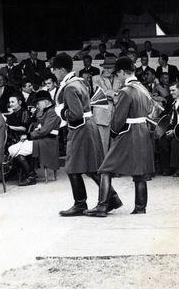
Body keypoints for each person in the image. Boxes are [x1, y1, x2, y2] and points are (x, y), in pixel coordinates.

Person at [51, 53, 119, 217]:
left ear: (61, 69)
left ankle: (81, 203)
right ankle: (112, 198)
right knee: (91, 168)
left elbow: (75, 114)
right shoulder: (79, 82)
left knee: (72, 167)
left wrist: (61, 113)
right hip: (88, 127)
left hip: (80, 128)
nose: (53, 73)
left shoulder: (70, 87)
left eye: (54, 70)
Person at [88, 57, 154, 217]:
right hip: (142, 130)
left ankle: (103, 206)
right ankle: (140, 207)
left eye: (118, 74)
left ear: (123, 72)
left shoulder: (126, 91)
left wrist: (113, 132)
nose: (118, 77)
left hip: (128, 131)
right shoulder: (142, 89)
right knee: (139, 172)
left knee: (105, 168)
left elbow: (118, 120)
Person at [8, 91, 61, 186]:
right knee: (12, 149)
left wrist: (28, 136)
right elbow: (37, 126)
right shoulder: (46, 111)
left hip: (47, 142)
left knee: (16, 151)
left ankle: (31, 176)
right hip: (40, 140)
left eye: (38, 103)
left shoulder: (52, 112)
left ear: (46, 101)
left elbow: (44, 131)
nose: (37, 105)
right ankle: (29, 174)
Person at [92, 57, 122, 154]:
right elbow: (101, 93)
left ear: (115, 69)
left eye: (109, 68)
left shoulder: (120, 79)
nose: (106, 70)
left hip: (116, 115)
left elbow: (123, 93)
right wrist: (115, 95)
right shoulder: (96, 78)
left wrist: (112, 94)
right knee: (102, 144)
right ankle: (102, 167)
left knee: (116, 144)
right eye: (105, 67)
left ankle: (113, 166)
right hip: (102, 116)